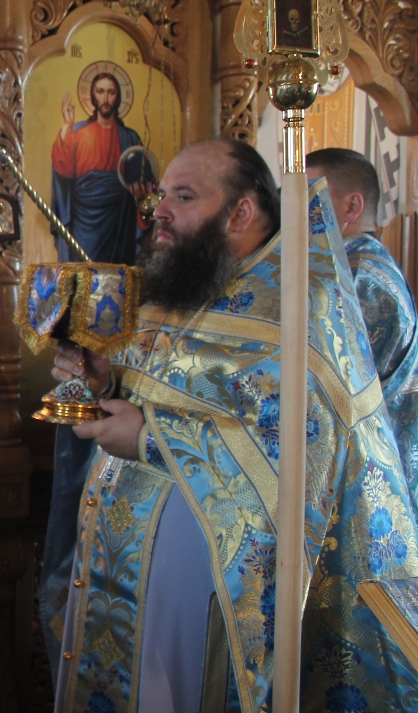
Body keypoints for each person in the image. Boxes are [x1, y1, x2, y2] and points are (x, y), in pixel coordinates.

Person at [47, 139, 418, 712]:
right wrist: (106, 382)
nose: (160, 210)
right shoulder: (191, 283)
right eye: (161, 196)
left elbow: (306, 445)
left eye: (184, 196)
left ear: (241, 211)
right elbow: (175, 389)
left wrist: (149, 439)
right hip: (124, 576)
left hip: (220, 592)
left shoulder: (307, 300)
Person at [307, 147, 418, 499]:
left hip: (375, 476)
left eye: (309, 197)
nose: (293, 213)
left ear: (352, 207)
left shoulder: (357, 279)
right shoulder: (361, 264)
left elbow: (329, 391)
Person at [51, 71, 145, 264]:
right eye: (100, 92)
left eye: (111, 92)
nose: (106, 98)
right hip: (84, 219)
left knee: (116, 270)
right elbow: (63, 168)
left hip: (119, 220)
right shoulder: (78, 132)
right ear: (93, 96)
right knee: (83, 270)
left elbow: (142, 179)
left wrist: (140, 187)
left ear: (118, 96)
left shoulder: (130, 137)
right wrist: (67, 126)